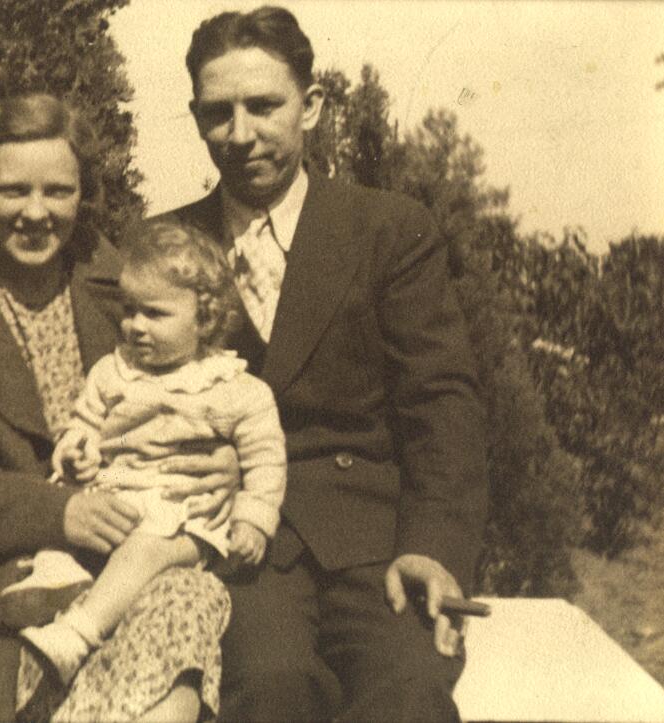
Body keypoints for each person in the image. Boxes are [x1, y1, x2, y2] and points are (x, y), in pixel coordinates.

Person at [153, 6, 489, 721]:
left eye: (264, 105)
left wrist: (434, 547)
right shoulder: (165, 245)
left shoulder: (388, 229)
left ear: (313, 107)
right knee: (268, 686)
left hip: (373, 546)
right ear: (196, 117)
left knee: (408, 688)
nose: (241, 135)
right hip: (238, 546)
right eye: (218, 113)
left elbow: (442, 404)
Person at [0, 93, 238, 723]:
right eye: (12, 191)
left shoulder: (129, 288)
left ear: (83, 193)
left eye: (58, 191)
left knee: (178, 630)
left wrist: (225, 463)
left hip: (132, 545)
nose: (35, 213)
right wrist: (61, 513)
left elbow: (211, 388)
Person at [14, 221, 287, 686]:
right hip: (119, 493)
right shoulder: (112, 371)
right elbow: (84, 424)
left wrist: (253, 520)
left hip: (184, 513)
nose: (135, 326)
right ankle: (55, 581)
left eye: (155, 314)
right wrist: (76, 451)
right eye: (130, 310)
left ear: (205, 319)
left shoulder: (237, 390)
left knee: (148, 546)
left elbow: (266, 460)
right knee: (67, 512)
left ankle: (78, 634)